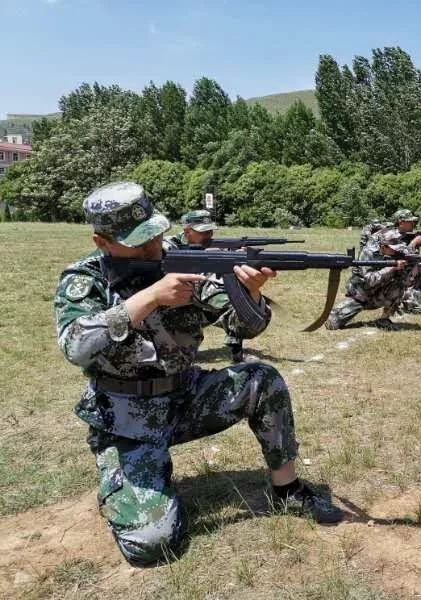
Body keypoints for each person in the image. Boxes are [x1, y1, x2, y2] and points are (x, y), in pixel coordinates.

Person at [54, 182, 342, 567]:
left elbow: (247, 325)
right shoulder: (84, 279)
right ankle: (129, 481)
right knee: (152, 544)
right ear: (102, 241)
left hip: (186, 397)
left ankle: (287, 488)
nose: (153, 249)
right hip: (125, 420)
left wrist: (251, 294)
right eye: (139, 244)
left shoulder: (184, 261)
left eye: (154, 235)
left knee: (262, 379)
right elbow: (75, 346)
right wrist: (151, 297)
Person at [165, 210, 248, 363]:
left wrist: (235, 258)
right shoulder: (167, 247)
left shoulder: (211, 247)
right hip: (171, 309)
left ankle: (236, 352)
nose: (208, 235)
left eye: (210, 231)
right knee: (180, 356)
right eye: (203, 232)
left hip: (197, 304)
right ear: (187, 231)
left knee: (236, 301)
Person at [324, 229, 411, 330]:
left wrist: (412, 267)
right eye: (393, 249)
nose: (395, 251)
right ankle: (338, 312)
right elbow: (369, 280)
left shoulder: (394, 253)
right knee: (332, 323)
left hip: (378, 290)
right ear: (383, 246)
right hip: (361, 294)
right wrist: (392, 267)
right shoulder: (368, 253)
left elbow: (405, 276)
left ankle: (384, 320)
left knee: (399, 285)